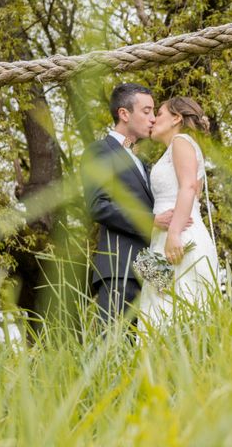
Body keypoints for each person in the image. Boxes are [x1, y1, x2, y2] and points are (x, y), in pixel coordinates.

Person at [80, 83, 189, 327]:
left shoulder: (141, 161)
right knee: (114, 347)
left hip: (152, 271)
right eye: (147, 111)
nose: (152, 119)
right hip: (120, 269)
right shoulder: (100, 151)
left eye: (154, 113)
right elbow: (98, 205)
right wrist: (151, 221)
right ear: (124, 113)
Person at [139, 96, 219, 328]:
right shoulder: (174, 150)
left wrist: (173, 234)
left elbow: (189, 187)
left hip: (179, 237)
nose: (153, 120)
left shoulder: (181, 141)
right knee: (164, 309)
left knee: (179, 306)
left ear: (177, 118)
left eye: (160, 114)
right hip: (165, 239)